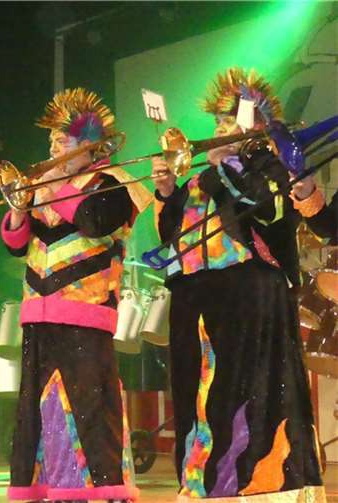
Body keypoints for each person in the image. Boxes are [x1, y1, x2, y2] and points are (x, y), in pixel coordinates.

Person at [152, 67, 324, 500]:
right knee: (195, 392)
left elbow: (268, 211)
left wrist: (229, 164)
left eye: (228, 122)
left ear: (254, 126)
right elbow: (173, 235)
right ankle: (201, 483)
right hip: (195, 296)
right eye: (216, 123)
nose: (218, 131)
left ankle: (251, 485)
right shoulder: (200, 176)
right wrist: (168, 192)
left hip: (249, 294)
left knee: (244, 389)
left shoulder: (270, 166)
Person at [2, 88, 145, 502]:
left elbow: (94, 221)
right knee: (35, 408)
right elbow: (16, 245)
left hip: (86, 309)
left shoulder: (112, 183)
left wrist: (53, 189)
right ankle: (45, 487)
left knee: (89, 406)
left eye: (61, 141)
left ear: (88, 146)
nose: (52, 148)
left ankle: (99, 490)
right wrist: (18, 209)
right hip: (38, 310)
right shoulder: (44, 184)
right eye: (50, 140)